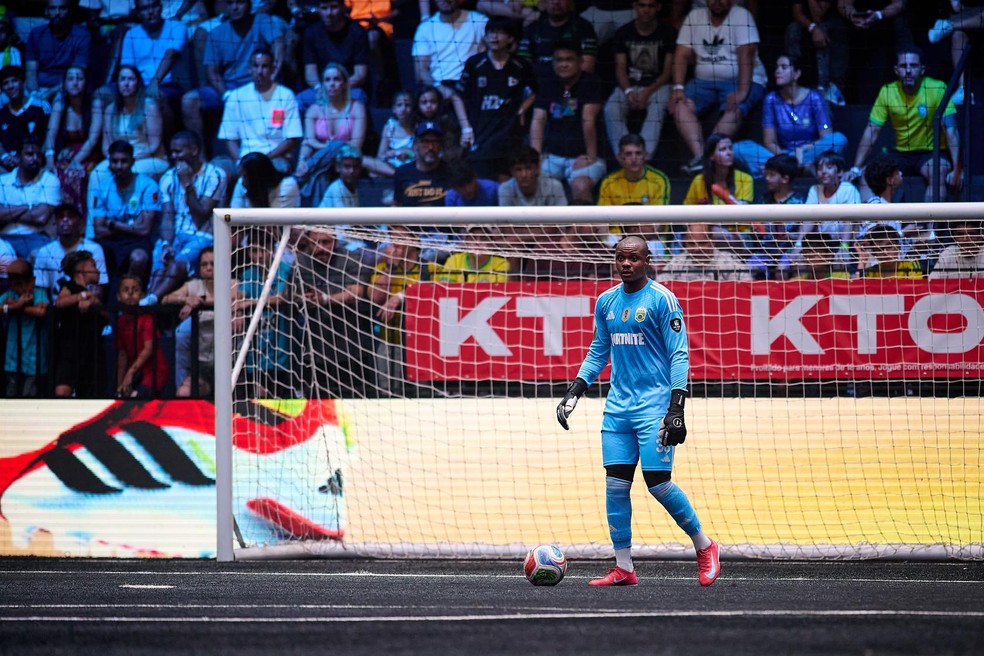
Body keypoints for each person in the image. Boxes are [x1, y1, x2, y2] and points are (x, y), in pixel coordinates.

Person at [555, 235, 720, 587]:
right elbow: (599, 349)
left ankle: (704, 545)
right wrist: (575, 390)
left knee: (658, 484)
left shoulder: (662, 299)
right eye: (620, 258)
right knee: (615, 486)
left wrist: (676, 408)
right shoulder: (606, 301)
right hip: (618, 409)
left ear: (647, 260)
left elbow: (679, 354)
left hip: (655, 408)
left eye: (633, 258)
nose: (626, 264)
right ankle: (624, 567)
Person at [845, 47, 961, 204]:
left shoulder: (937, 88)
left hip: (932, 153)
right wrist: (855, 167)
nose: (908, 70)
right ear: (896, 70)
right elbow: (872, 131)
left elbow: (951, 130)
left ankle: (930, 221)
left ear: (922, 69)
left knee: (938, 171)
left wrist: (958, 168)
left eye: (913, 66)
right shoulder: (887, 91)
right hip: (901, 154)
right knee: (867, 174)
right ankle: (875, 219)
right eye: (903, 66)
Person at [669, 0, 768, 174]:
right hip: (703, 82)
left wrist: (742, 91)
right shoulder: (694, 16)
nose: (717, 2)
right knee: (680, 104)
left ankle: (710, 155)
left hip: (742, 78)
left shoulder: (741, 15)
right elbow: (681, 55)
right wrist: (678, 88)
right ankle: (701, 157)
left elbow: (746, 55)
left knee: (734, 108)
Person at [181, 0, 286, 145]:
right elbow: (212, 72)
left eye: (240, 3)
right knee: (189, 100)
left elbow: (278, 44)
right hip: (230, 87)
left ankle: (278, 149)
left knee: (279, 99)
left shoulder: (261, 21)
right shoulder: (216, 33)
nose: (235, 8)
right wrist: (227, 95)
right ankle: (198, 154)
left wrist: (271, 78)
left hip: (259, 83)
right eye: (230, 3)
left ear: (249, 5)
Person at [733, 54, 847, 179]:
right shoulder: (771, 99)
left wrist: (802, 150)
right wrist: (788, 159)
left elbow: (826, 136)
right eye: (777, 67)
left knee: (838, 139)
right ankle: (797, 169)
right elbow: (769, 142)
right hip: (783, 155)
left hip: (809, 153)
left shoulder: (814, 98)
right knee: (739, 148)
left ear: (797, 74)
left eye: (783, 67)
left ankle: (780, 171)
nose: (778, 71)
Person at [453, 16, 538, 181]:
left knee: (507, 185)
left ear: (510, 38)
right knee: (483, 185)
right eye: (490, 32)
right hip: (481, 135)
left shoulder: (521, 65)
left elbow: (537, 91)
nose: (494, 37)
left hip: (509, 138)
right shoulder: (475, 64)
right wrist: (466, 128)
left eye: (499, 32)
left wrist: (523, 108)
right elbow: (457, 96)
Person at [150, 130, 228, 305]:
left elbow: (201, 215)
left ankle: (152, 300)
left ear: (194, 150)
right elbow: (167, 217)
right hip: (175, 235)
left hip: (204, 235)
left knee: (177, 264)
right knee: (160, 259)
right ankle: (150, 302)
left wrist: (187, 184)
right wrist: (166, 244)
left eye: (178, 151)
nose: (173, 156)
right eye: (172, 151)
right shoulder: (168, 178)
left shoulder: (215, 175)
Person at [530, 41, 606, 203]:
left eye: (569, 60)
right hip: (553, 156)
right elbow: (538, 120)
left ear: (580, 61)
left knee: (580, 186)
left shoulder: (591, 82)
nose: (563, 64)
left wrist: (591, 156)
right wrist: (535, 157)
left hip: (585, 155)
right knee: (531, 180)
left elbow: (588, 120)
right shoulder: (547, 84)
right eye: (559, 60)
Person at [603, 0, 676, 162]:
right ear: (635, 6)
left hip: (658, 86)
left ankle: (643, 157)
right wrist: (629, 91)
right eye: (642, 5)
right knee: (610, 108)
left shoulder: (668, 32)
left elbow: (667, 72)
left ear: (658, 7)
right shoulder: (623, 32)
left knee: (657, 107)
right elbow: (620, 68)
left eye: (651, 6)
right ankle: (626, 155)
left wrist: (647, 92)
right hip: (629, 85)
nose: (646, 10)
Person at [218, 47, 303, 176]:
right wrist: (241, 161)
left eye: (264, 66)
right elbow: (229, 138)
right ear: (249, 69)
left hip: (274, 158)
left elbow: (291, 139)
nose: (259, 71)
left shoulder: (285, 95)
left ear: (273, 69)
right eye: (256, 66)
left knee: (268, 170)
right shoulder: (236, 97)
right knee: (217, 169)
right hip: (243, 158)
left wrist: (262, 161)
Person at [89, 140, 160, 288]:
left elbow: (145, 229)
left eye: (124, 161)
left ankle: (131, 295)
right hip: (111, 240)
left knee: (139, 257)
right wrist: (131, 227)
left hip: (138, 242)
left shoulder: (148, 186)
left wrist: (112, 224)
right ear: (109, 162)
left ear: (132, 161)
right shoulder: (102, 188)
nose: (119, 166)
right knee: (89, 255)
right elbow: (98, 230)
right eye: (115, 161)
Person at [369, 225, 426, 397]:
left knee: (423, 395)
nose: (396, 242)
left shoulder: (430, 268)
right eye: (393, 237)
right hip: (389, 341)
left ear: (415, 239)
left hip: (423, 345)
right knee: (387, 395)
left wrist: (400, 296)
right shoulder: (382, 268)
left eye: (401, 237)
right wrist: (391, 267)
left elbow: (436, 291)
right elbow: (375, 297)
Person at [41, 65, 103, 214]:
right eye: (70, 79)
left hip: (89, 154)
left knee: (78, 175)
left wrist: (76, 161)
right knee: (55, 175)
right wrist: (49, 161)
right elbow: (50, 136)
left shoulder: (95, 104)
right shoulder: (59, 105)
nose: (75, 83)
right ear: (64, 83)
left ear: (86, 82)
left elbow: (93, 138)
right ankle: (61, 219)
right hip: (66, 155)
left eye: (79, 78)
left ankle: (81, 220)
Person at [162, 246, 223, 396]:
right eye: (204, 264)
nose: (209, 268)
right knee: (183, 392)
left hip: (227, 364)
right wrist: (186, 299)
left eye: (213, 264)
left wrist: (198, 303)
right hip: (200, 365)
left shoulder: (232, 284)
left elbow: (234, 299)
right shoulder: (194, 285)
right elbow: (166, 298)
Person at [298, 0, 371, 115]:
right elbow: (310, 71)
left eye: (334, 7)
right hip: (322, 89)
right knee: (298, 102)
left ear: (343, 8)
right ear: (319, 10)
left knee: (359, 98)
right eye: (324, 8)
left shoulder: (357, 32)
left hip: (349, 88)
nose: (329, 13)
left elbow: (360, 74)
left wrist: (338, 88)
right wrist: (320, 88)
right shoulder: (311, 33)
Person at [97, 64, 169, 181]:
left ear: (138, 83)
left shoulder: (150, 107)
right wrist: (116, 159)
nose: (126, 83)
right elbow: (106, 146)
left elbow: (154, 145)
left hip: (148, 158)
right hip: (119, 159)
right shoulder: (110, 110)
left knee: (131, 172)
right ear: (117, 83)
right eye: (123, 79)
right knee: (97, 174)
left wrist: (129, 158)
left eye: (131, 79)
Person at [52, 249, 107, 397]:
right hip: (70, 349)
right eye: (93, 266)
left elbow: (105, 316)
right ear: (81, 269)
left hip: (90, 350)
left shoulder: (95, 295)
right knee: (62, 390)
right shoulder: (69, 287)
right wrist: (82, 296)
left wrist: (93, 301)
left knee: (87, 393)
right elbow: (59, 302)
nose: (97, 270)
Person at [0, 137, 61, 260]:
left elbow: (40, 217)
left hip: (36, 237)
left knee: (46, 256)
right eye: (29, 154)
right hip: (4, 237)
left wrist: (7, 211)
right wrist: (27, 207)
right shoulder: (3, 181)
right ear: (18, 157)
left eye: (38, 155)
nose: (35, 159)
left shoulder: (49, 180)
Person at [34, 202, 108, 299]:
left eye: (71, 216)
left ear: (80, 221)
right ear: (55, 222)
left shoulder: (94, 249)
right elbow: (40, 289)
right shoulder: (44, 252)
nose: (65, 220)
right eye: (61, 217)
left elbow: (100, 287)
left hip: (86, 304)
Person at [25, 0, 93, 104]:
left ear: (69, 10)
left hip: (68, 88)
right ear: (46, 11)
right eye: (52, 8)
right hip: (39, 88)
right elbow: (31, 72)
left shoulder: (82, 35)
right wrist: (34, 94)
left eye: (62, 8)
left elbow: (77, 76)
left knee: (60, 101)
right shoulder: (36, 34)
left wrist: (47, 95)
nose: (57, 13)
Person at [412, 0, 488, 91]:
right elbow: (421, 71)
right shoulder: (425, 28)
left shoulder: (479, 21)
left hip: (471, 84)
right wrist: (442, 90)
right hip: (438, 87)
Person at [1, 258, 50, 398]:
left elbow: (41, 311)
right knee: (11, 396)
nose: (21, 289)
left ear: (32, 281)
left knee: (30, 396)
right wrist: (13, 306)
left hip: (35, 360)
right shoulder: (9, 295)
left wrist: (18, 307)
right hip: (13, 359)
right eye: (16, 285)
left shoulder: (39, 293)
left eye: (25, 284)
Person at [114, 274, 168, 398]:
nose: (130, 293)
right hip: (136, 371)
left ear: (142, 295)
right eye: (125, 290)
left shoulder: (147, 318)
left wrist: (130, 372)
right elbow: (122, 355)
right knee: (122, 397)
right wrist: (120, 385)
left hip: (154, 370)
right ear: (118, 296)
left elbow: (148, 349)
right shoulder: (120, 322)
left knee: (137, 398)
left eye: (135, 290)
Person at [786, 0, 848, 106]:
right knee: (793, 29)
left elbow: (818, 15)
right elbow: (796, 12)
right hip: (807, 24)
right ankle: (792, 83)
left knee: (827, 29)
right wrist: (812, 28)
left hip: (830, 22)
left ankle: (829, 89)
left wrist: (816, 29)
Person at [518, 0, 599, 81]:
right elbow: (522, 63)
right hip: (537, 83)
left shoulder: (583, 27)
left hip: (570, 83)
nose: (556, 2)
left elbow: (587, 67)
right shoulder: (533, 28)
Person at [659, 222, 752, 281]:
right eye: (691, 244)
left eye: (702, 243)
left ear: (712, 242)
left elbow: (747, 285)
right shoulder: (677, 263)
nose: (697, 249)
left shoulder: (728, 262)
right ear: (685, 243)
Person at [0, 65, 51, 172]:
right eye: (6, 83)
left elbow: (49, 137)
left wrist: (35, 157)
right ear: (2, 89)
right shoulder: (2, 113)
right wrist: (4, 157)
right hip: (7, 169)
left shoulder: (41, 107)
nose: (10, 86)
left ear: (23, 83)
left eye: (14, 81)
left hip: (36, 164)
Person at [598, 133, 670, 206]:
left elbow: (661, 213)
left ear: (645, 155)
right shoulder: (609, 183)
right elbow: (603, 213)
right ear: (620, 157)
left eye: (638, 153)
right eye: (628, 154)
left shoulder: (659, 180)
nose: (634, 159)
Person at [682, 133, 753, 205]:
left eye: (730, 148)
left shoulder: (745, 179)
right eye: (723, 149)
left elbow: (743, 208)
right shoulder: (699, 180)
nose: (729, 153)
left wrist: (727, 198)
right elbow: (686, 208)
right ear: (711, 156)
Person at [498, 144, 568, 206]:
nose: (524, 175)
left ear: (537, 168)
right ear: (512, 172)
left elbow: (563, 216)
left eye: (528, 168)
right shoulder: (505, 190)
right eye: (518, 169)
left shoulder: (554, 187)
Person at [435, 226, 511, 281]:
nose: (477, 242)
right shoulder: (454, 260)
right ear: (466, 242)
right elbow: (444, 291)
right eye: (473, 238)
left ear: (491, 244)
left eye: (483, 239)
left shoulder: (501, 265)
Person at [230, 151, 301, 208]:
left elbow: (276, 219)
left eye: (245, 176)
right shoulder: (241, 182)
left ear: (257, 178)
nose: (242, 182)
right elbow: (235, 214)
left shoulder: (287, 185)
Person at [376, 90, 416, 170]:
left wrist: (406, 153)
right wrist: (389, 155)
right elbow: (380, 156)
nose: (403, 109)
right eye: (399, 105)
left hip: (410, 165)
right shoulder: (389, 127)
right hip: (391, 166)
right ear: (394, 109)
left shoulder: (416, 127)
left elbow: (417, 154)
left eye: (407, 105)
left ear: (412, 108)